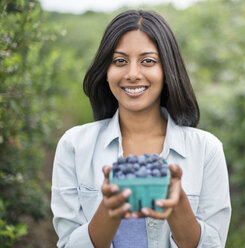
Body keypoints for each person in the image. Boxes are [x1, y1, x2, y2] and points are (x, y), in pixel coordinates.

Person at [51, 9, 231, 248]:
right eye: (120, 61)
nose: (133, 74)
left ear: (167, 71)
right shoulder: (74, 145)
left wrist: (179, 209)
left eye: (148, 61)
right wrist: (109, 210)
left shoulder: (206, 150)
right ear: (106, 71)